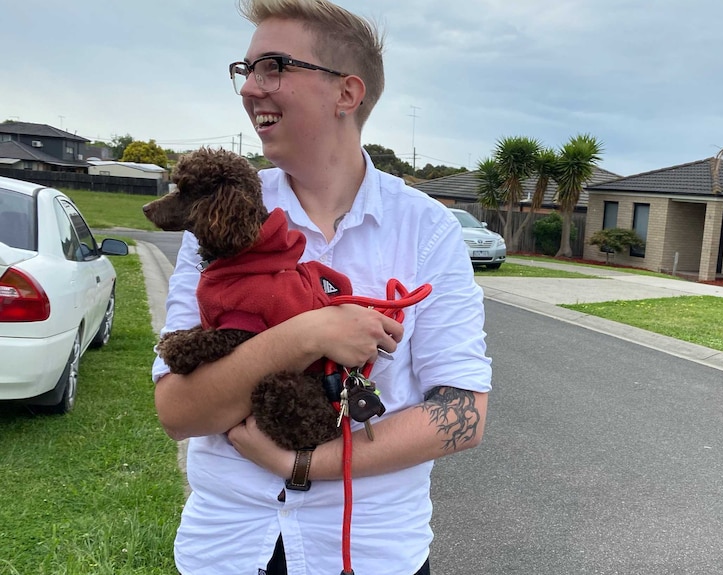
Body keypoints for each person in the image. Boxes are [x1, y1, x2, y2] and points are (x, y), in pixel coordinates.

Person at [151, 0, 492, 573]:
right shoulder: (218, 217)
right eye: (246, 69)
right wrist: (308, 334)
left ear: (346, 94)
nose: (250, 88)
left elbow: (464, 413)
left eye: (274, 67)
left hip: (371, 552)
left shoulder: (427, 229)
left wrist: (303, 464)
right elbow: (179, 413)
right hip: (228, 550)